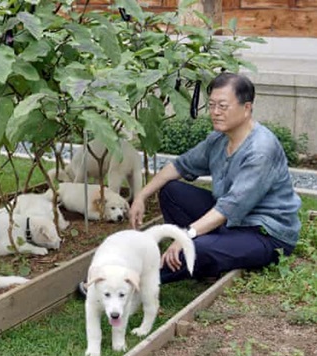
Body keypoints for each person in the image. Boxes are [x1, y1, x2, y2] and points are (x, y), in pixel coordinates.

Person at [127, 72, 301, 283]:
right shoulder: (219, 139)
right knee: (172, 191)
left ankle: (127, 281)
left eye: (223, 106)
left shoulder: (260, 150)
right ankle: (208, 261)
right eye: (211, 105)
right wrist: (141, 196)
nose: (215, 112)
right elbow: (180, 165)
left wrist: (186, 236)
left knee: (195, 248)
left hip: (265, 234)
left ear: (246, 108)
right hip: (232, 223)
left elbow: (230, 207)